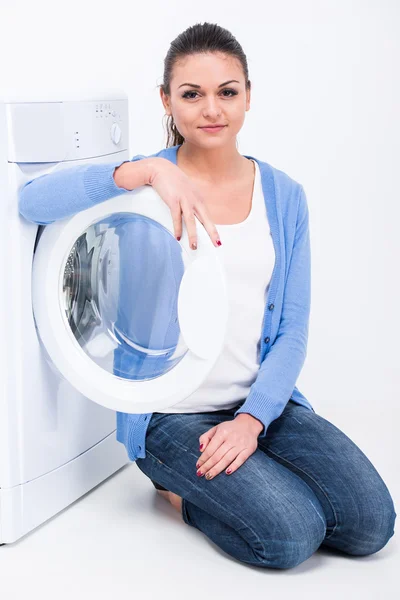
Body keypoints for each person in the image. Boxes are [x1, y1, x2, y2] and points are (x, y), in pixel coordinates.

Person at [19, 22, 396, 569]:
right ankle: (174, 490)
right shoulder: (146, 183)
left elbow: (291, 327)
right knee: (290, 537)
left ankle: (250, 462)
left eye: (227, 91)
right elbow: (33, 201)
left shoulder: (284, 195)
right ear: (166, 100)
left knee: (370, 525)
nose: (211, 109)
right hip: (172, 414)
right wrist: (141, 170)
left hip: (261, 408)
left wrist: (252, 420)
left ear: (248, 95)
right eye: (191, 94)